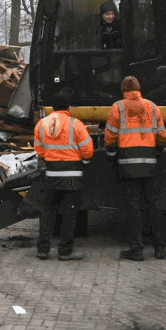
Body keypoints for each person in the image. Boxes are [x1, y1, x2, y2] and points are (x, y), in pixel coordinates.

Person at [104, 75, 166, 261]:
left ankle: (137, 250)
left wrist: (110, 155)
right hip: (149, 161)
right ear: (139, 89)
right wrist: (158, 148)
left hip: (128, 163)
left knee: (133, 207)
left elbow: (111, 136)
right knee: (153, 204)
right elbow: (162, 135)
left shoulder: (118, 107)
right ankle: (160, 248)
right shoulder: (152, 106)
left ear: (124, 90)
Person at [32, 87, 94, 261]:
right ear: (68, 108)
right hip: (72, 178)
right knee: (70, 212)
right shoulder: (76, 124)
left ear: (52, 108)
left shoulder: (42, 124)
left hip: (51, 176)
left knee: (47, 212)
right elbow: (88, 150)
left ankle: (43, 249)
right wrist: (85, 162)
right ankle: (65, 251)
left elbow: (40, 150)